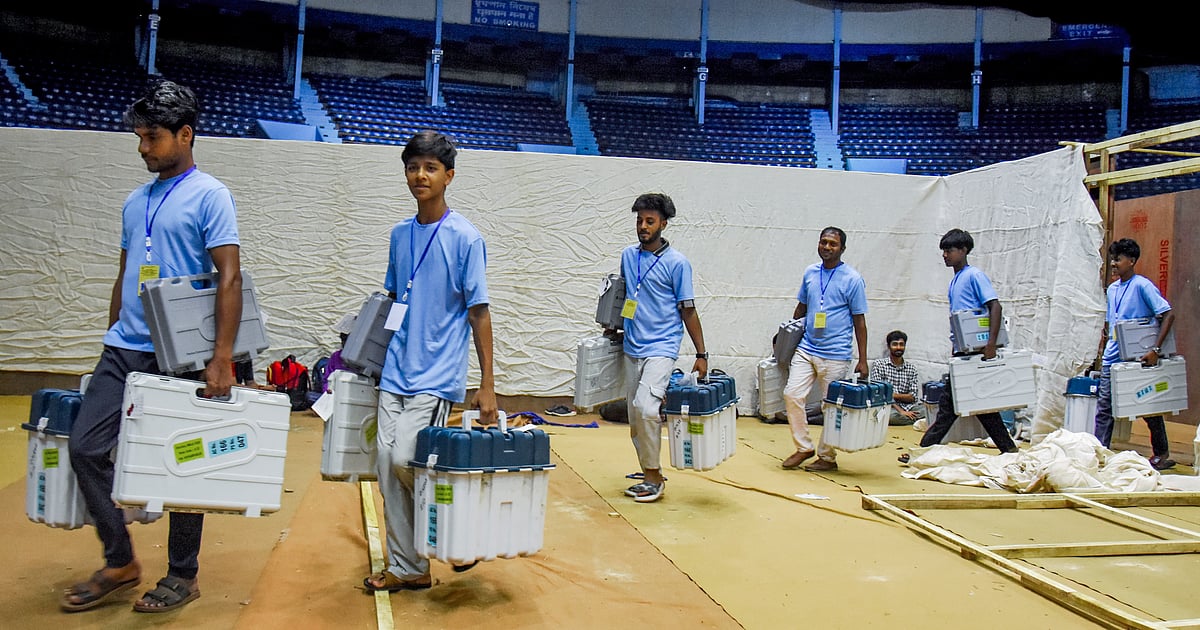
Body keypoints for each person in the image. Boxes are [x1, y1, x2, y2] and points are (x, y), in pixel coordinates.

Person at [63, 80, 241, 613]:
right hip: (124, 347)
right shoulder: (134, 200)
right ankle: (121, 560)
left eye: (153, 137)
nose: (144, 147)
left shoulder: (210, 194)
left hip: (181, 354)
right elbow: (125, 272)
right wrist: (112, 327)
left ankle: (182, 575)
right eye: (140, 137)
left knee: (182, 463)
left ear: (186, 135)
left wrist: (222, 358)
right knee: (85, 448)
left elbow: (228, 277)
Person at [362, 131, 498, 592]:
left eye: (430, 167)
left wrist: (487, 385)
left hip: (436, 376)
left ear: (449, 176)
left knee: (406, 457)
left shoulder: (465, 238)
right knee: (385, 462)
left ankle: (461, 532)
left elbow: (479, 313)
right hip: (394, 371)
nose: (420, 175)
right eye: (412, 166)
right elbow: (393, 298)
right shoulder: (400, 235)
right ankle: (409, 568)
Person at [607, 193, 707, 503]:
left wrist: (702, 354)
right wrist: (614, 325)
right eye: (639, 221)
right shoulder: (628, 255)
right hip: (632, 345)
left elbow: (688, 310)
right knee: (636, 415)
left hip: (662, 346)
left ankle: (654, 477)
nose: (643, 226)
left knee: (648, 408)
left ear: (663, 224)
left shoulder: (678, 264)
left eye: (650, 221)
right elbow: (625, 295)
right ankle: (648, 469)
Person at [917, 229, 1019, 454]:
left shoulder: (974, 275)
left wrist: (990, 343)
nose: (945, 255)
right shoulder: (955, 280)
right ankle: (1008, 447)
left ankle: (926, 447)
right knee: (973, 404)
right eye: (943, 251)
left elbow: (995, 306)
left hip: (975, 351)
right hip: (962, 349)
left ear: (963, 251)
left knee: (950, 404)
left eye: (950, 250)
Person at [780, 227, 869, 473]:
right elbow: (802, 306)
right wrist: (787, 335)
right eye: (824, 242)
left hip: (835, 354)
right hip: (807, 347)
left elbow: (860, 321)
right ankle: (803, 447)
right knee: (792, 394)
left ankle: (827, 457)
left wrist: (863, 359)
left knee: (831, 408)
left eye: (833, 244)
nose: (827, 247)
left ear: (842, 249)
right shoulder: (810, 272)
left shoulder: (852, 278)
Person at [1093, 238, 1177, 470]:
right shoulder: (1112, 289)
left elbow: (1167, 314)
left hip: (1138, 356)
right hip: (1114, 354)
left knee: (1145, 402)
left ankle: (1161, 453)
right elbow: (1112, 324)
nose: (1113, 263)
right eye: (1112, 259)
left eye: (1118, 259)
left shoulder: (1143, 286)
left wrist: (1156, 350)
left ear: (1131, 261)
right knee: (1105, 405)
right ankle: (1100, 453)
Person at [869, 330, 924, 426]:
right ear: (889, 346)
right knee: (884, 416)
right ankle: (916, 421)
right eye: (895, 344)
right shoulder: (879, 365)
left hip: (909, 407)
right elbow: (880, 394)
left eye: (901, 344)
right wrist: (901, 410)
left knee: (927, 410)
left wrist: (891, 394)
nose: (898, 347)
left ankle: (912, 419)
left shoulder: (911, 368)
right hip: (887, 407)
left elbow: (913, 397)